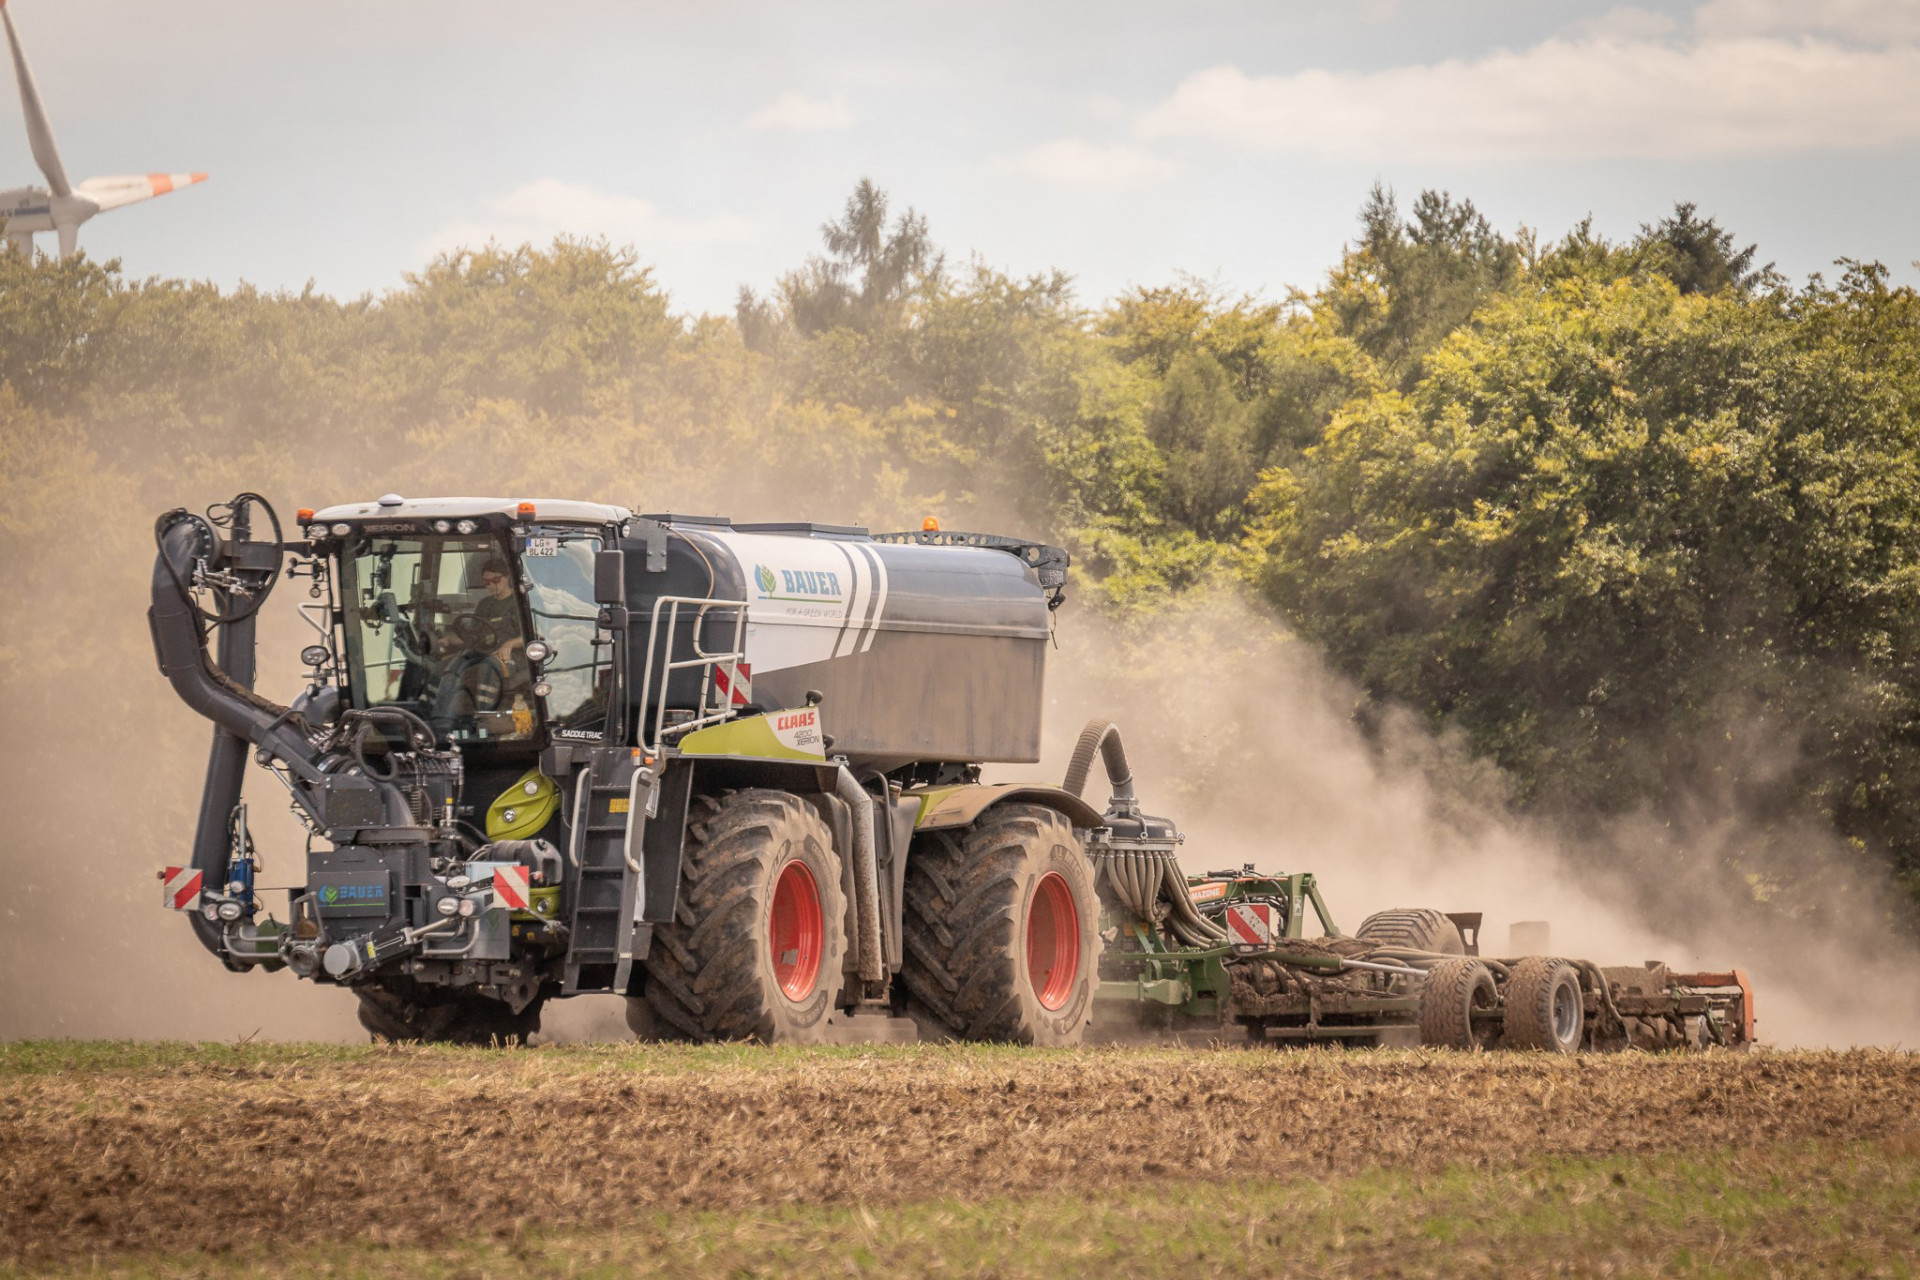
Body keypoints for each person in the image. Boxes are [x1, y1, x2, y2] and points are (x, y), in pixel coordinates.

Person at [472, 558, 525, 673]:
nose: (490, 585)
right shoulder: (484, 604)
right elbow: (473, 633)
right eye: (486, 582)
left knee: (487, 670)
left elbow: (531, 635)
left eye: (495, 580)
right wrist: (448, 639)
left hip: (512, 656)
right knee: (445, 667)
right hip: (484, 653)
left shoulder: (520, 602)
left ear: (507, 577)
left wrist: (510, 644)